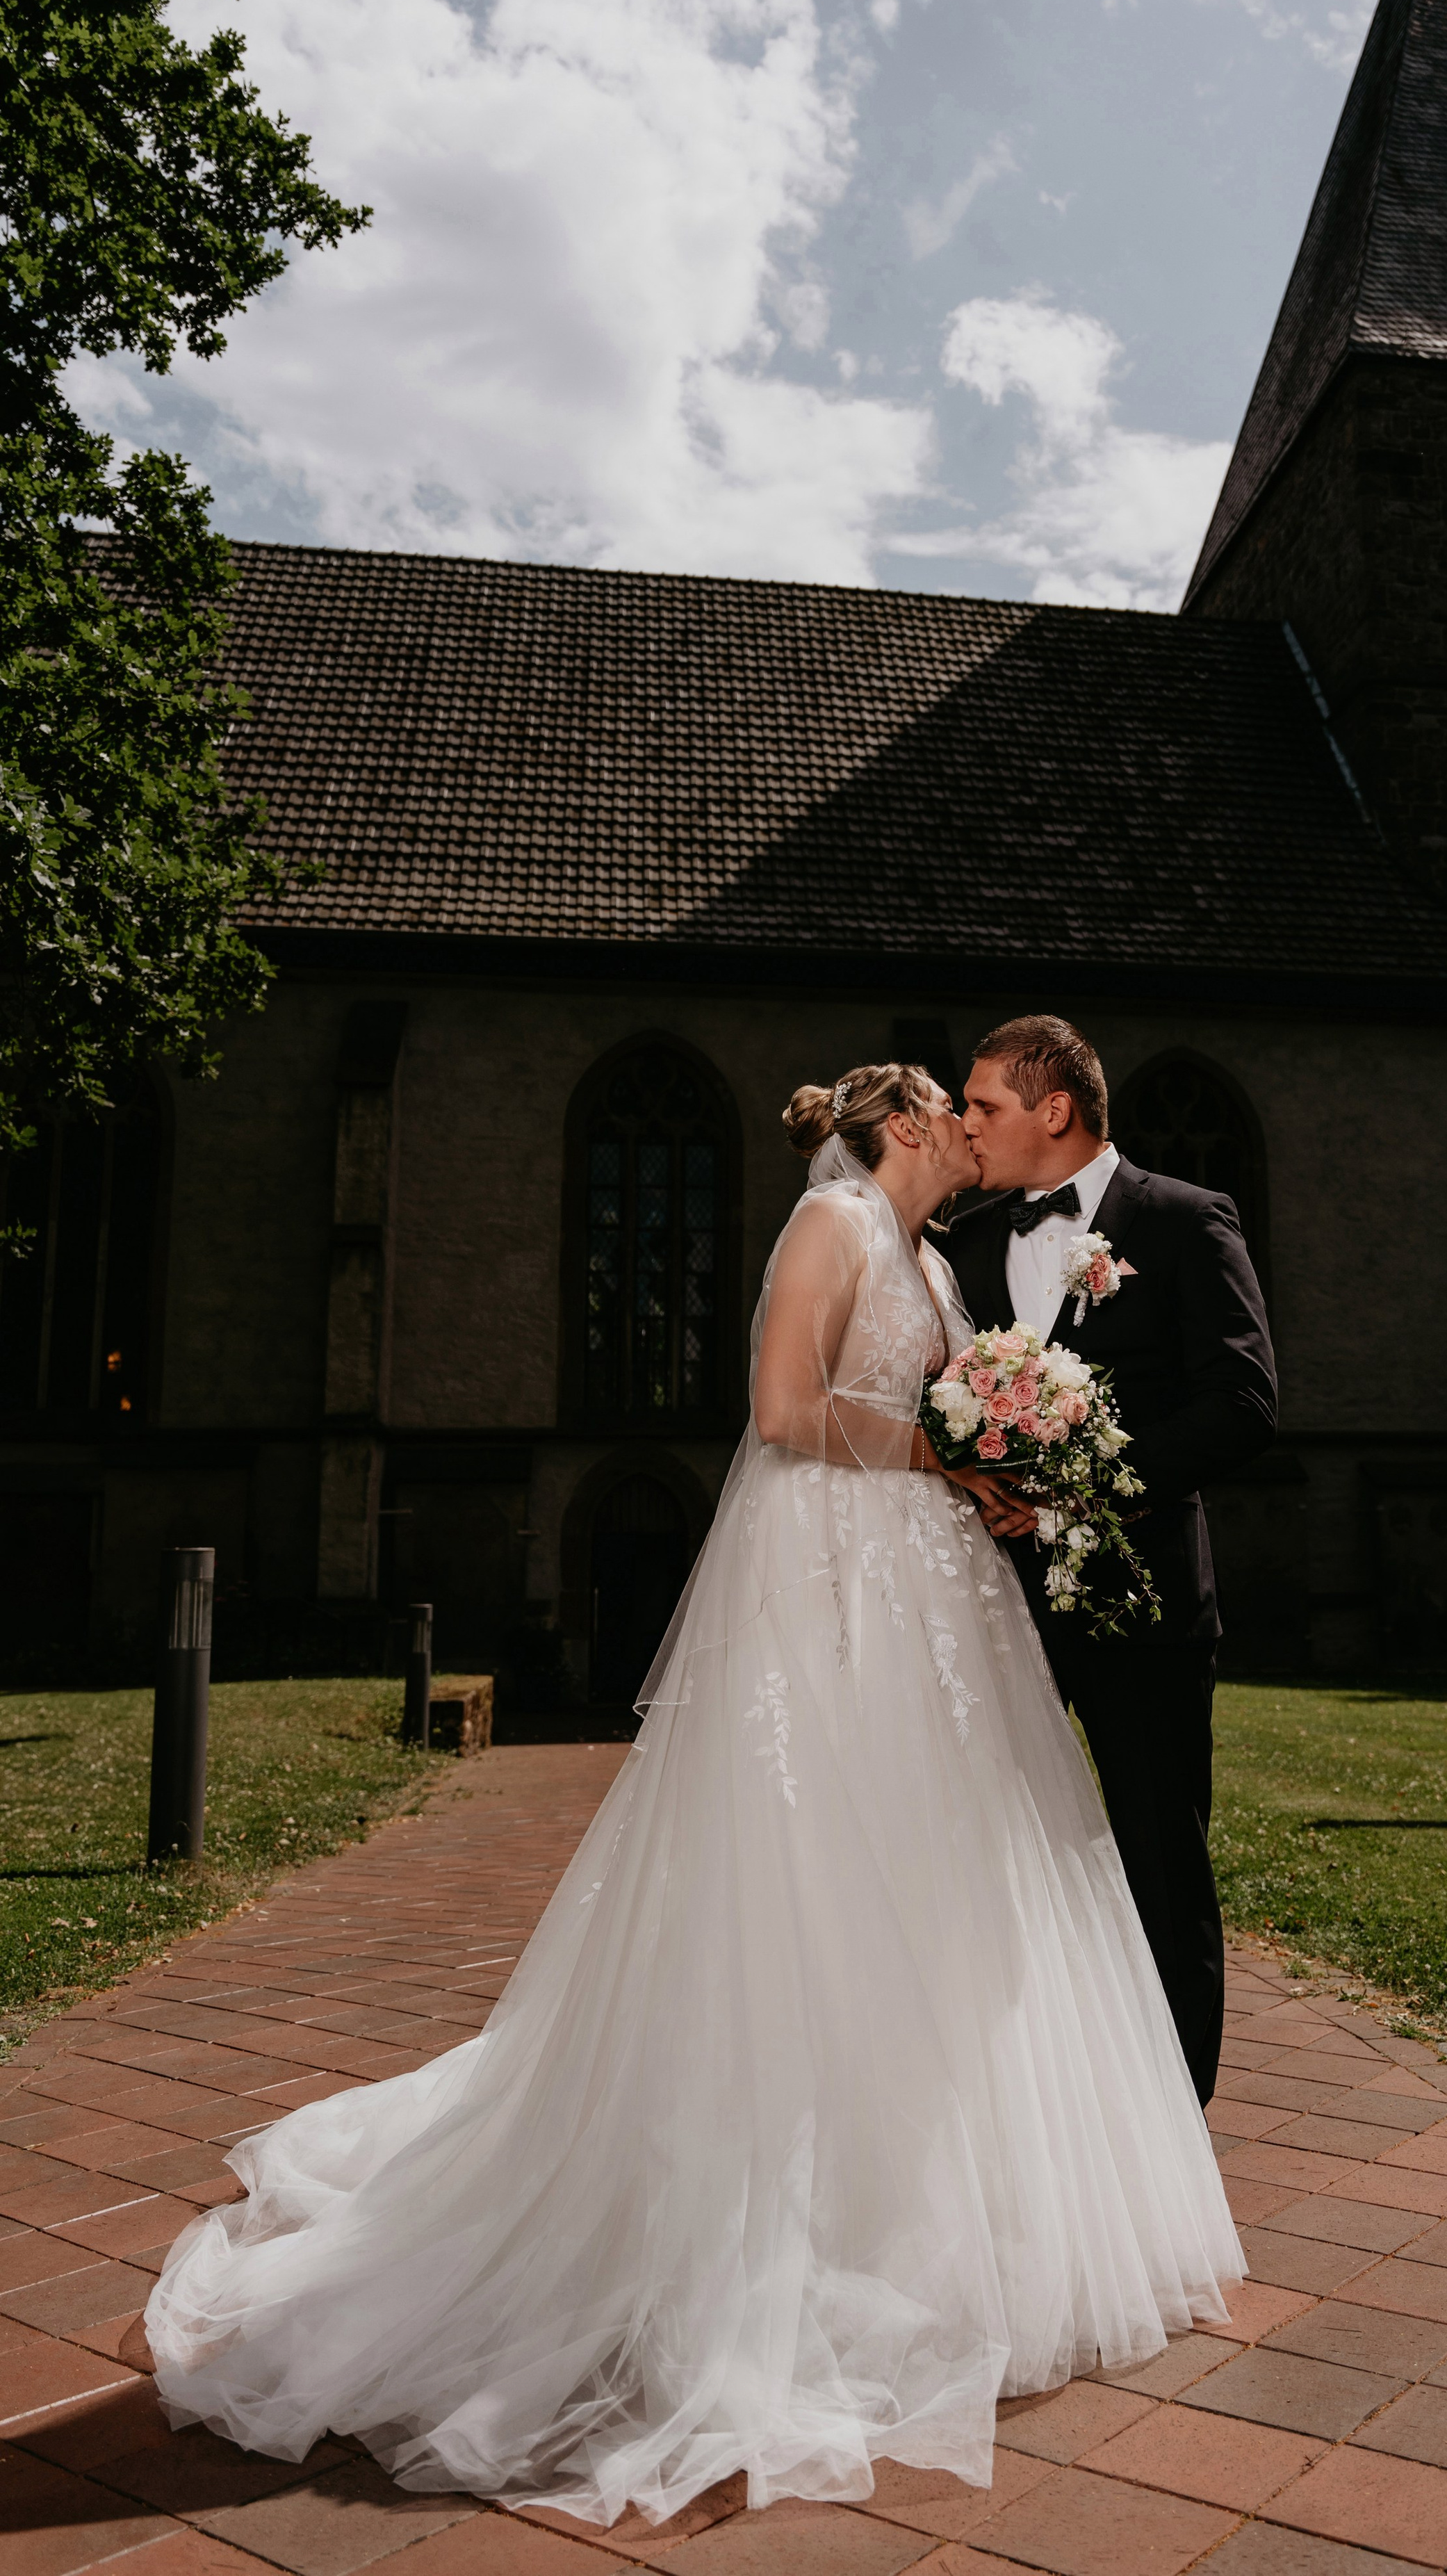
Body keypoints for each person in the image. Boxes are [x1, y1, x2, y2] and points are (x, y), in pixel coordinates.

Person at [146, 1063, 1243, 2533]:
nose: (976, 1131)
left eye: (996, 1104)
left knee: (948, 1885)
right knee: (811, 1881)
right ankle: (759, 2234)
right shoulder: (834, 1227)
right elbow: (784, 1412)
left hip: (935, 1594)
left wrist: (991, 1462)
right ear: (910, 1126)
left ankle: (936, 2210)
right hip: (837, 1587)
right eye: (958, 1109)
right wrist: (943, 1448)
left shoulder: (932, 1254)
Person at [935, 1016, 1277, 2105]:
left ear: (1055, 1111)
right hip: (994, 1602)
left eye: (982, 1104)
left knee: (1158, 1854)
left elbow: (1242, 1405)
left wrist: (1082, 1485)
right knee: (992, 1849)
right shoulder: (968, 1246)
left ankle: (1175, 2111)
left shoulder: (1182, 1221)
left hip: (1143, 1599)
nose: (963, 1121)